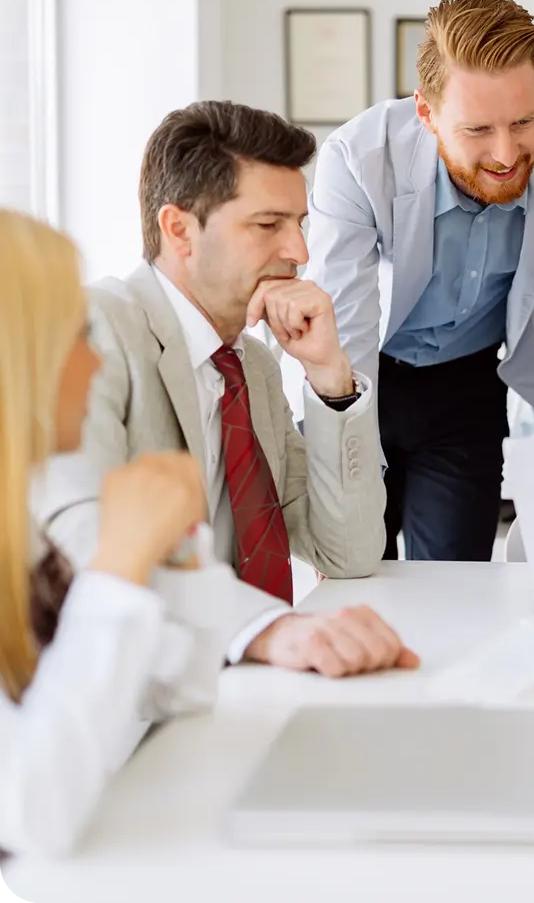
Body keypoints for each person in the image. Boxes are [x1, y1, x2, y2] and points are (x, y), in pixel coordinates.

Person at [37, 102, 421, 680]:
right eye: (268, 225)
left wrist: (330, 377)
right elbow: (79, 537)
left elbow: (347, 552)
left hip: (235, 690)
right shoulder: (95, 331)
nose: (300, 252)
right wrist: (263, 627)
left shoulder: (254, 365)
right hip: (120, 694)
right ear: (179, 230)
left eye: (300, 223)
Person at [306, 0, 534, 562]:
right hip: (364, 379)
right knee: (357, 570)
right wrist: (349, 485)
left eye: (523, 121)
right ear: (426, 112)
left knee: (458, 583)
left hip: (468, 385)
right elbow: (344, 331)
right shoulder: (357, 159)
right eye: (477, 130)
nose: (505, 153)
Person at [1, 209, 236, 856]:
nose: (96, 361)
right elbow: (31, 811)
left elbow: (179, 692)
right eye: (78, 334)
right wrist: (117, 569)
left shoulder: (22, 532)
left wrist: (183, 548)